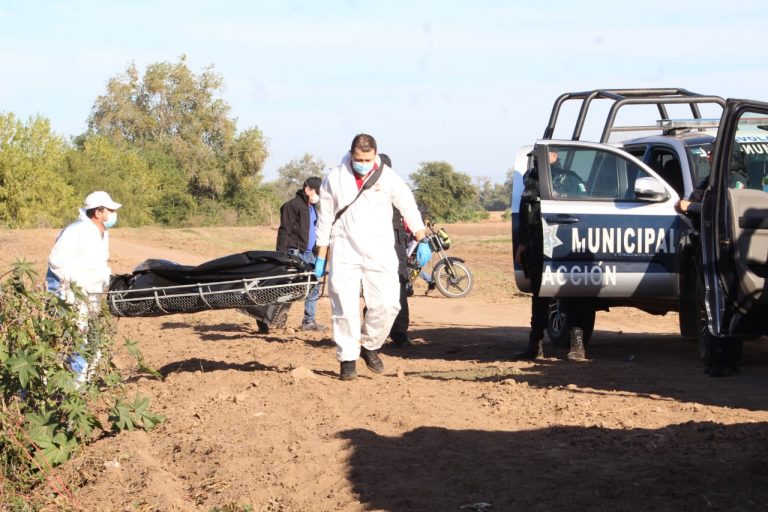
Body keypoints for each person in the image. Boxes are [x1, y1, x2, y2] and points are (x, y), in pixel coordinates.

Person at [314, 134, 431, 380]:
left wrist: (422, 237)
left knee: (389, 304)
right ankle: (347, 360)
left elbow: (407, 205)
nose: (363, 163)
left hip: (381, 249)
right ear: (351, 154)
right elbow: (324, 219)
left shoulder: (387, 176)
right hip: (345, 248)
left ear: (376, 155)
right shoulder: (334, 178)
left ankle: (369, 345)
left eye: (368, 159)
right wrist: (321, 256)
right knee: (344, 308)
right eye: (359, 159)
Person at [513, 151, 587, 362]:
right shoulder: (531, 180)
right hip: (537, 245)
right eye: (535, 157)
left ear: (554, 156)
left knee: (571, 295)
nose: (539, 160)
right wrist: (522, 245)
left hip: (566, 243)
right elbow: (526, 215)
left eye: (543, 156)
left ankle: (577, 345)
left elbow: (585, 213)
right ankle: (534, 345)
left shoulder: (570, 178)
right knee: (540, 295)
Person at [46, 190, 122, 383]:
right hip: (70, 295)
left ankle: (83, 384)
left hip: (91, 295)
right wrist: (77, 287)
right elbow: (56, 263)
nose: (113, 214)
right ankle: (70, 388)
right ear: (98, 212)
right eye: (110, 210)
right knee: (76, 342)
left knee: (93, 343)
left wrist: (107, 280)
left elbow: (98, 264)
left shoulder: (102, 234)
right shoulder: (76, 231)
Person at [276, 176, 325, 331]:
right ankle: (273, 317)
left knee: (314, 286)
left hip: (311, 254)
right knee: (289, 287)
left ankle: (308, 322)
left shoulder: (312, 209)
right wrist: (281, 255)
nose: (317, 196)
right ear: (308, 189)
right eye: (316, 192)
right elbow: (284, 231)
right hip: (296, 253)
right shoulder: (292, 206)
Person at [379, 153, 417, 347]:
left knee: (398, 283)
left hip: (394, 240)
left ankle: (398, 332)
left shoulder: (394, 186)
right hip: (382, 240)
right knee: (377, 284)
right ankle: (388, 331)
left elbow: (410, 211)